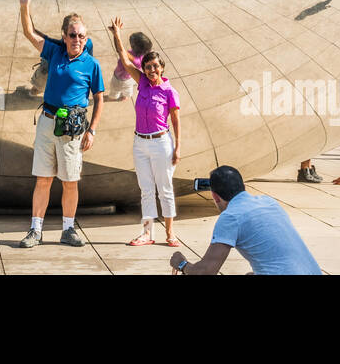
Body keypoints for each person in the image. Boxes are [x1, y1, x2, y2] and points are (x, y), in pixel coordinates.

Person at [15, 0, 105, 248]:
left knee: (69, 181)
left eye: (82, 36)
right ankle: (35, 230)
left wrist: (92, 130)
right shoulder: (55, 52)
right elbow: (29, 32)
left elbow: (99, 98)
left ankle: (68, 229)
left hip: (72, 129)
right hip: (47, 122)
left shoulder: (91, 63)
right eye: (73, 35)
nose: (78, 40)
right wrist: (24, 5)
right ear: (64, 36)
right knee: (43, 179)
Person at [170, 166, 321, 274]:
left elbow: (207, 270)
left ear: (215, 196)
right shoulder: (269, 202)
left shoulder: (231, 217)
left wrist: (182, 264)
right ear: (242, 186)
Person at [110, 17, 180, 247]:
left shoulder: (169, 91)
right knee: (146, 189)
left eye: (155, 67)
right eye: (148, 67)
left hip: (161, 143)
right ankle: (147, 233)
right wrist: (117, 34)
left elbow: (176, 120)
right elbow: (123, 57)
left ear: (162, 68)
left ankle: (170, 233)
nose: (151, 70)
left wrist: (177, 147)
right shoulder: (141, 83)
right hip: (140, 143)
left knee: (165, 188)